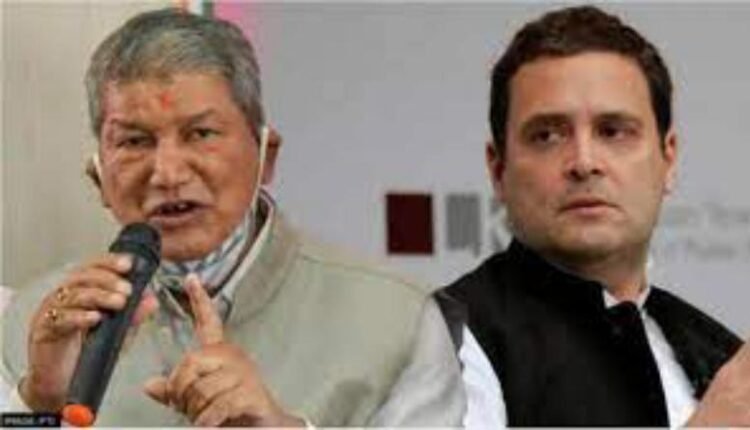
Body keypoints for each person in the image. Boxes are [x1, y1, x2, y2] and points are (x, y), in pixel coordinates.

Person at [0, 8, 465, 426]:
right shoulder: (31, 324)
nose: (168, 173)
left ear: (266, 156)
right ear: (97, 177)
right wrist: (39, 402)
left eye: (200, 133)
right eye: (134, 141)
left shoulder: (396, 322)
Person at [440, 4, 750, 427]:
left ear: (668, 159)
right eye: (547, 135)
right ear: (498, 170)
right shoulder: (448, 339)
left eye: (613, 131)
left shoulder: (719, 353)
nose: (584, 162)